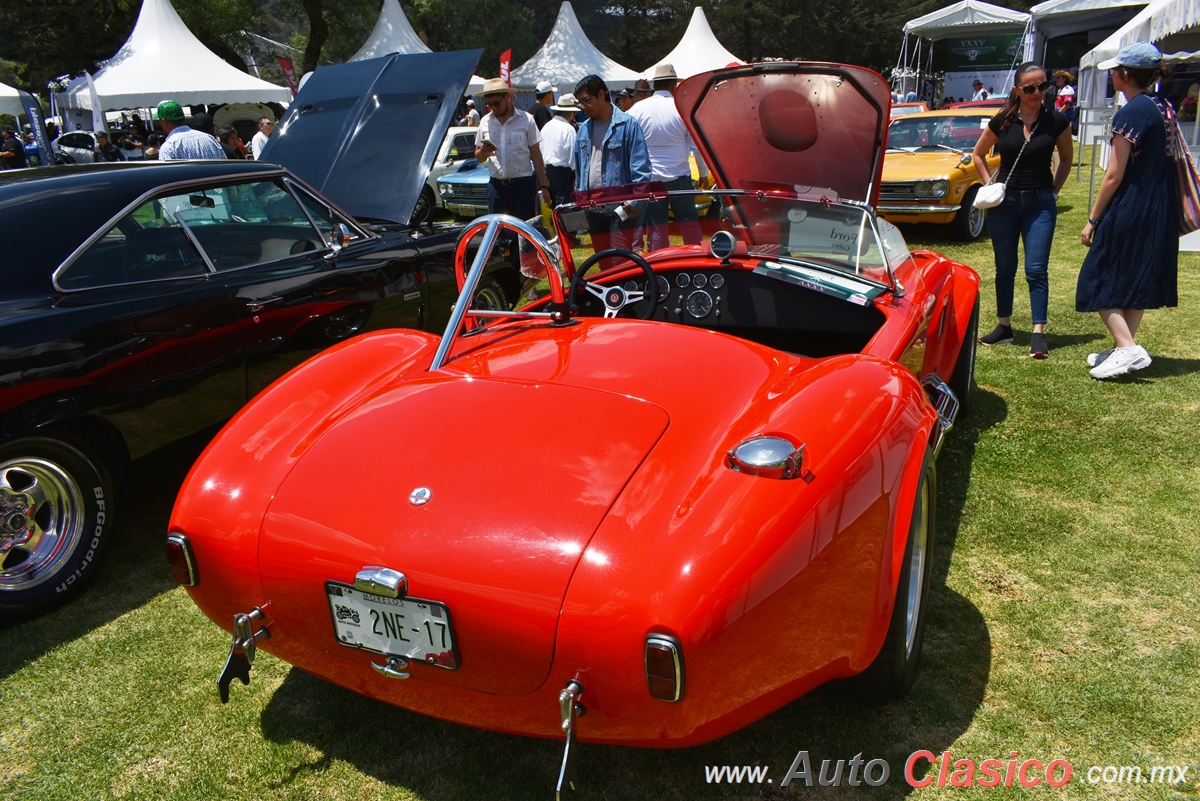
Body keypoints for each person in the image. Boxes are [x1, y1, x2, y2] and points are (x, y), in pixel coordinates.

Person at [1077, 42, 1177, 379]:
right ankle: (1125, 347)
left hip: (1132, 205)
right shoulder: (1163, 106)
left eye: (1114, 72)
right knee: (1137, 277)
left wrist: (1093, 220)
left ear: (1124, 75)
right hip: (1159, 205)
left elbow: (1114, 173)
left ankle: (1127, 347)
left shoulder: (1131, 111)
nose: (1111, 77)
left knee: (1097, 274)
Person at [972, 62, 1073, 358]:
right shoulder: (1003, 119)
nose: (1036, 92)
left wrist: (1053, 191)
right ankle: (1004, 327)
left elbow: (1066, 159)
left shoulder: (1056, 121)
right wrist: (989, 186)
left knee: (1036, 270)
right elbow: (978, 154)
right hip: (1005, 203)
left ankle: (1038, 332)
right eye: (1029, 88)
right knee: (1005, 267)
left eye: (1042, 86)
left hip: (1040, 203)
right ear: (1017, 90)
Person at [626, 63, 709, 249]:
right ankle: (695, 259)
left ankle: (660, 267)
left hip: (651, 178)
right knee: (689, 223)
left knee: (656, 228)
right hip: (679, 175)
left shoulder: (637, 110)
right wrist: (703, 173)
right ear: (674, 86)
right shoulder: (682, 108)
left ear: (655, 86)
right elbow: (697, 147)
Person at [572, 74, 652, 256]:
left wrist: (633, 205)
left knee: (620, 265)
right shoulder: (583, 129)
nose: (583, 107)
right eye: (580, 103)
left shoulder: (628, 125)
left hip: (620, 209)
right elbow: (579, 168)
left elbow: (642, 169)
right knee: (603, 266)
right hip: (593, 209)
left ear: (601, 94)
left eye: (586, 100)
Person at [475, 77, 551, 258]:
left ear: (508, 97)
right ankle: (503, 277)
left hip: (522, 186)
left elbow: (536, 155)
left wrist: (544, 186)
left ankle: (525, 280)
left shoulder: (527, 120)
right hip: (496, 187)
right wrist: (484, 151)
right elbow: (478, 156)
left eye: (496, 102)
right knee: (495, 236)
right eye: (489, 104)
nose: (493, 107)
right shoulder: (485, 122)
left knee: (524, 236)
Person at [541, 93, 580, 210]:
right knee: (565, 209)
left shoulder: (546, 127)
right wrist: (577, 175)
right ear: (572, 113)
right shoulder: (568, 129)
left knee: (553, 208)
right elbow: (572, 155)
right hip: (563, 173)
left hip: (547, 172)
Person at [156, 101, 225, 161]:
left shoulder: (168, 148)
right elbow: (225, 169)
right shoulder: (210, 139)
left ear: (163, 122)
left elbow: (167, 175)